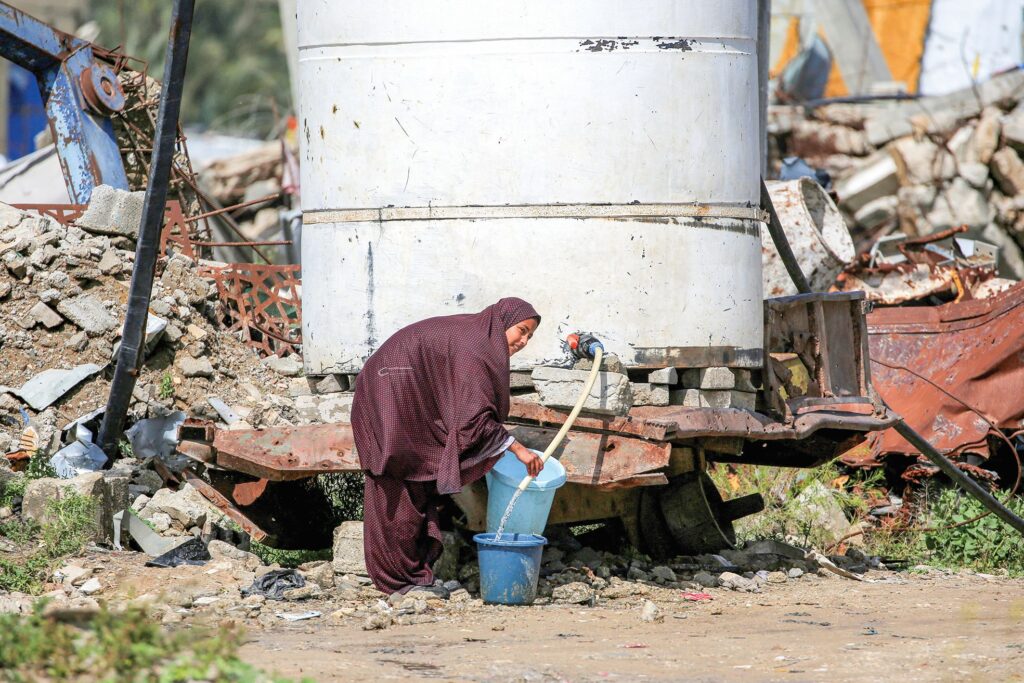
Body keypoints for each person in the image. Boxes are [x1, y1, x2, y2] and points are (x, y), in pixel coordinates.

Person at [351, 297, 544, 598]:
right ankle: (398, 581)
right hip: (390, 392)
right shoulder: (476, 347)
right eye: (521, 330)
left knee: (419, 485)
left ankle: (413, 576)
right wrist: (519, 450)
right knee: (398, 484)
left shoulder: (479, 340)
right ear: (503, 322)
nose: (523, 341)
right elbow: (473, 418)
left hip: (405, 394)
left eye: (529, 336)